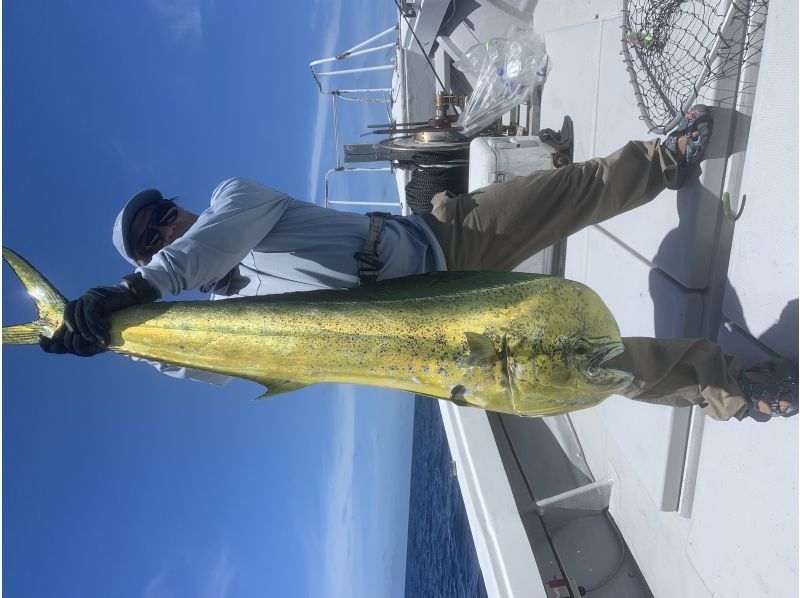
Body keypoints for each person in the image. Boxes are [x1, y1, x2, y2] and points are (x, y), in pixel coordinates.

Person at [40, 106, 797, 421]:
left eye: (162, 214)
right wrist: (110, 330)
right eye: (151, 235)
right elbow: (199, 363)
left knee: (568, 190)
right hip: (430, 349)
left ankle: (666, 159)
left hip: (440, 239)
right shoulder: (224, 319)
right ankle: (736, 387)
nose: (166, 226)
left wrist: (134, 285)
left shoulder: (232, 202)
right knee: (588, 365)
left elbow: (202, 247)